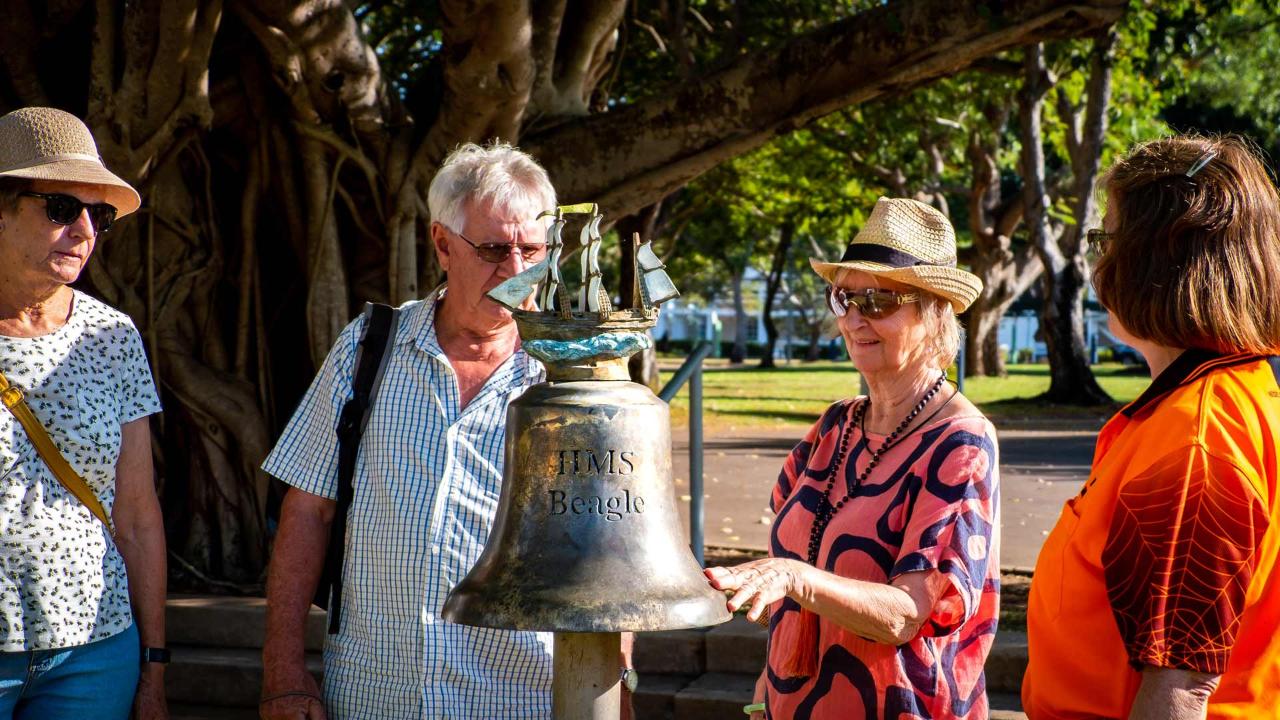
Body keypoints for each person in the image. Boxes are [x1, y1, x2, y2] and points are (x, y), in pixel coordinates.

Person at [261, 143, 575, 719]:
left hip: (523, 695)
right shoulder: (369, 347)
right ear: (441, 244)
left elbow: (608, 545)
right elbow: (308, 511)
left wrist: (616, 683)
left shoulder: (568, 375)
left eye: (532, 251)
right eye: (492, 250)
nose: (513, 271)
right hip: (375, 689)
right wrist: (283, 670)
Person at [707, 197, 1000, 719]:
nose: (855, 318)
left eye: (880, 301)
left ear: (933, 313)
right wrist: (765, 691)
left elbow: (908, 613)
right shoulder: (834, 426)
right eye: (844, 298)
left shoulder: (961, 443)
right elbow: (794, 580)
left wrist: (793, 578)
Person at [1023, 136, 1280, 719]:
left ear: (1153, 259)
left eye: (1104, 238)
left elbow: (1179, 689)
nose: (1097, 262)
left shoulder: (1195, 440)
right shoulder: (1211, 401)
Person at [0, 107, 168, 719]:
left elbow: (138, 513)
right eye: (61, 209)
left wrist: (154, 665)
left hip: (94, 651)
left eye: (97, 216)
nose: (85, 231)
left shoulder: (112, 336)